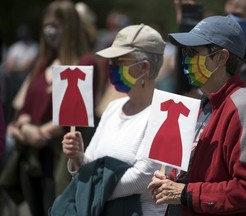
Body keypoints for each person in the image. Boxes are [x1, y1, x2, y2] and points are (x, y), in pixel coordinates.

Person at [148, 16, 246, 216]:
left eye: (192, 51)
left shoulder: (245, 108)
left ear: (221, 57)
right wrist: (171, 181)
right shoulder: (202, 104)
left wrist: (186, 193)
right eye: (184, 51)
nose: (185, 58)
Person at [2, 1, 101, 216]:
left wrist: (41, 132)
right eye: (47, 25)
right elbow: (25, 106)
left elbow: (77, 113)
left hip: (59, 157)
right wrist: (26, 130)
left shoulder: (85, 63)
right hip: (31, 156)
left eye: (56, 25)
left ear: (70, 28)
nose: (50, 31)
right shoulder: (43, 63)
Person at [56, 24, 167, 215]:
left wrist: (88, 188)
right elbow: (88, 165)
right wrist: (77, 157)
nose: (111, 68)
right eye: (110, 62)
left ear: (144, 67)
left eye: (119, 62)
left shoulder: (165, 114)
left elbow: (141, 178)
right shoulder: (113, 108)